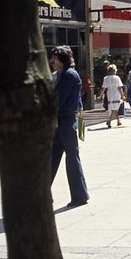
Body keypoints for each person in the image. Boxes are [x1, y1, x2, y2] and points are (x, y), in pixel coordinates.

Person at [50, 46, 90, 208]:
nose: (52, 61)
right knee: (51, 159)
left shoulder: (68, 75)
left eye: (55, 58)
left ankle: (80, 195)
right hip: (60, 122)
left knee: (71, 159)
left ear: (63, 59)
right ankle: (41, 196)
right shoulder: (61, 74)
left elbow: (58, 100)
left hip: (65, 122)